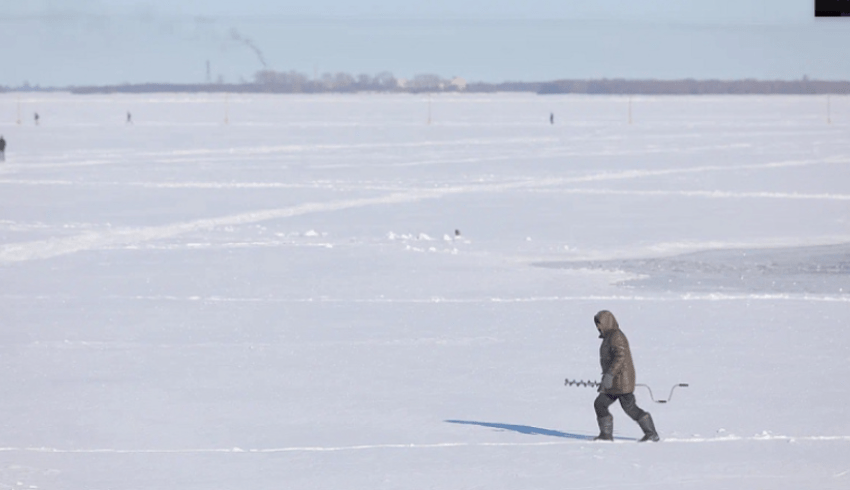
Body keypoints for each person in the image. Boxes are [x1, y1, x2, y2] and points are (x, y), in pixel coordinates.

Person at [592, 310, 659, 442]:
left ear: (607, 322)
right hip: (614, 381)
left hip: (622, 381)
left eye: (599, 324)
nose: (598, 327)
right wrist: (606, 377)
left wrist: (610, 375)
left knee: (629, 408)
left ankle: (651, 433)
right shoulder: (609, 337)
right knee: (601, 404)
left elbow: (620, 357)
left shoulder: (616, 336)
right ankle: (606, 435)